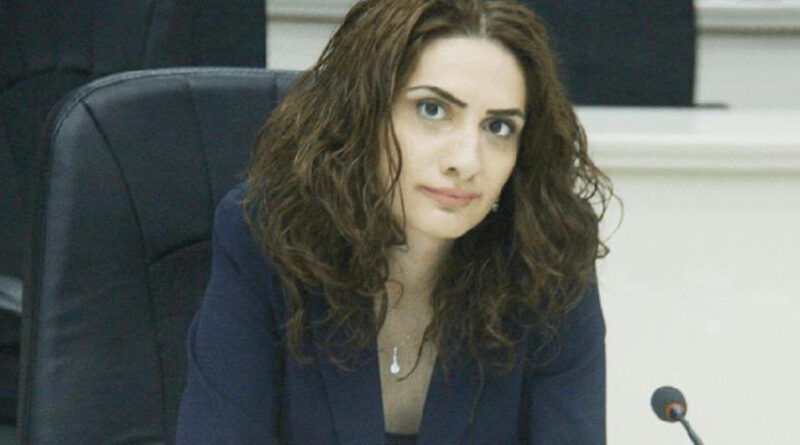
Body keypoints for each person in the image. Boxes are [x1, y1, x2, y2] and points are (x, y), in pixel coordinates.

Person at [175, 0, 612, 443]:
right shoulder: (268, 234)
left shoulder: (549, 254)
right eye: (432, 110)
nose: (466, 161)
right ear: (363, 113)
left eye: (498, 127)